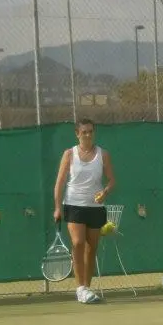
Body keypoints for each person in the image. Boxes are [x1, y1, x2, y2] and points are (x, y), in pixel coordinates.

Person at [52, 118, 116, 304]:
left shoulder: (103, 154)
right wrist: (57, 208)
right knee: (78, 243)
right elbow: (59, 183)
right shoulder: (69, 154)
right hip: (73, 205)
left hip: (95, 208)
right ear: (77, 134)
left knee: (91, 248)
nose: (88, 134)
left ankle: (86, 290)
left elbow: (112, 180)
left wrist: (104, 192)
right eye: (84, 132)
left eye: (90, 131)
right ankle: (80, 287)